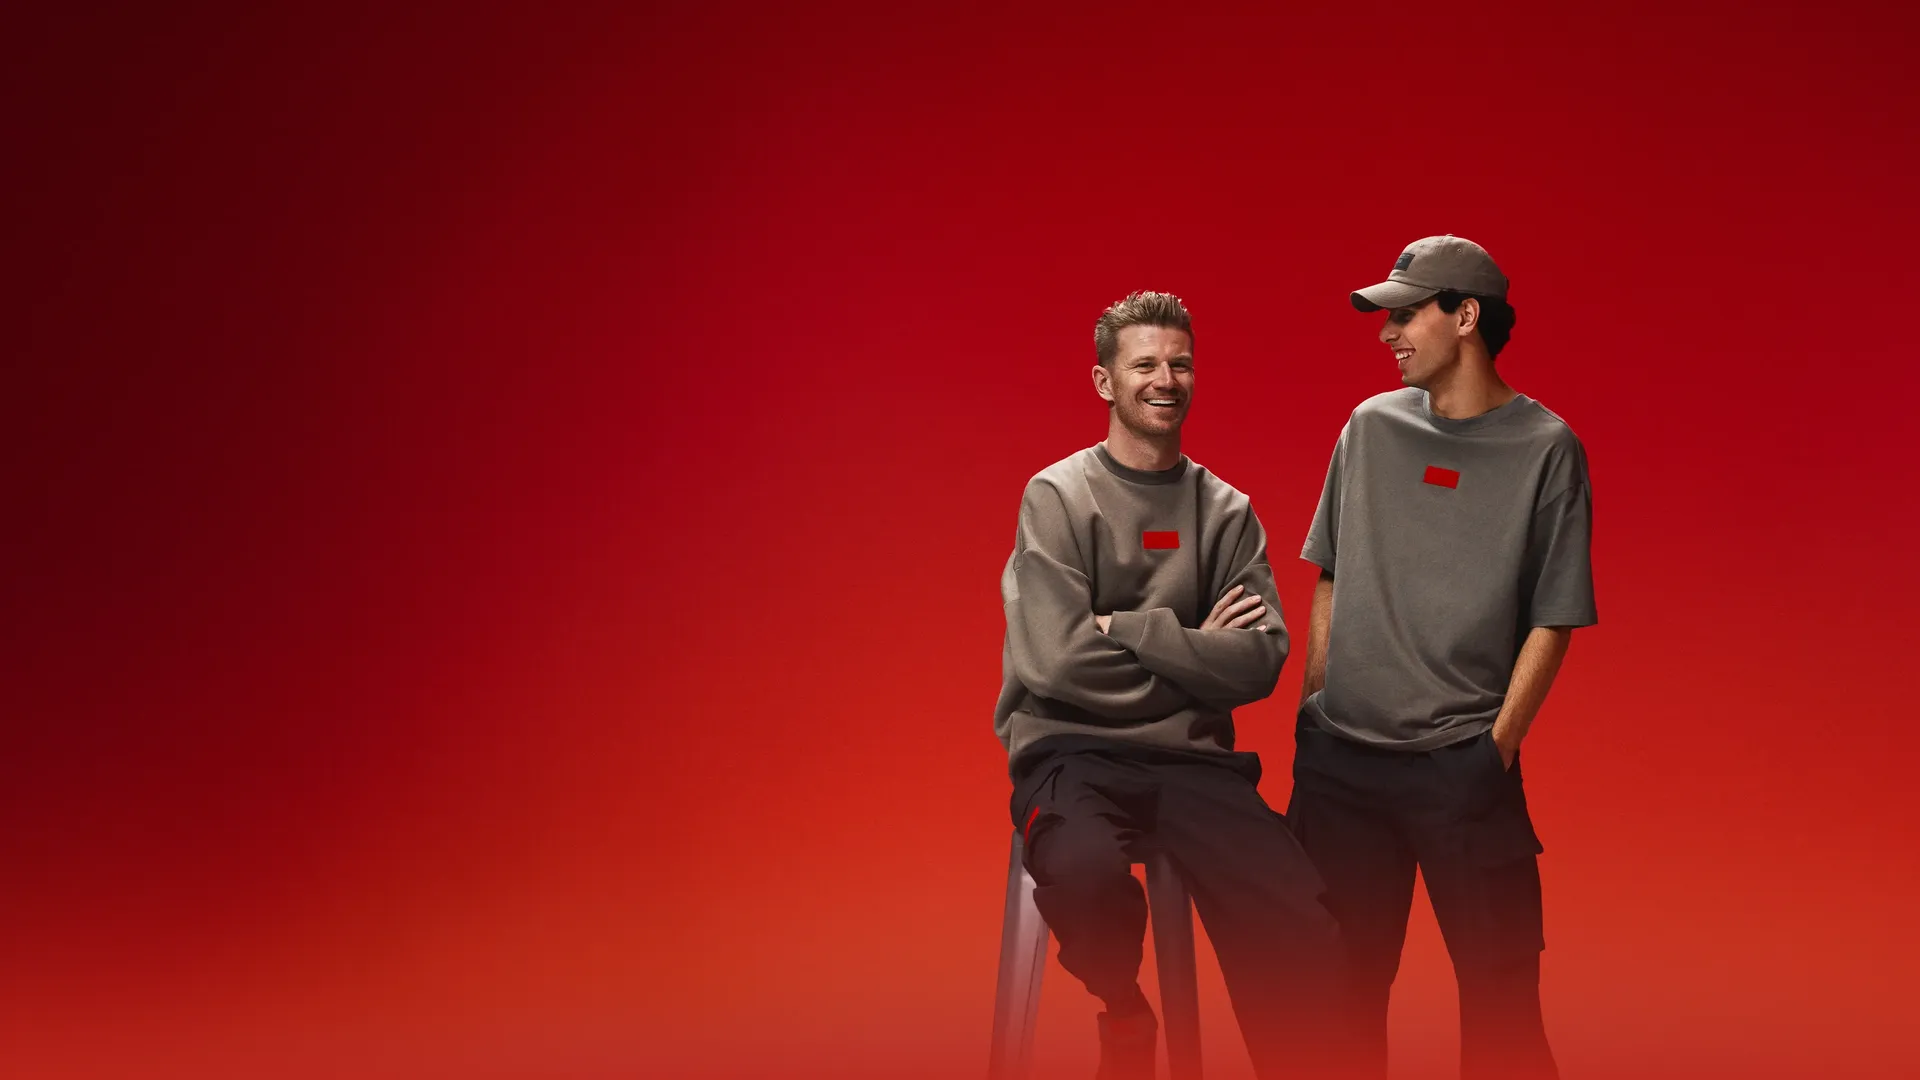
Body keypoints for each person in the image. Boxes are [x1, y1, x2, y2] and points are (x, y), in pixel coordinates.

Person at [994, 290, 1348, 1080]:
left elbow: (1260, 660)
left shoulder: (1225, 513)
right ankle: (1125, 1009)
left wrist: (1126, 628)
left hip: (1195, 765)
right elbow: (1054, 664)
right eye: (1145, 364)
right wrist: (1194, 661)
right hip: (1070, 754)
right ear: (1104, 381)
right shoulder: (1057, 497)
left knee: (1303, 919)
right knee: (1084, 873)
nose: (1166, 380)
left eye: (1180, 364)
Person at [1286, 235, 1597, 1080]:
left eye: (1405, 314)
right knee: (1335, 1013)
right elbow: (1330, 573)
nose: (1387, 333)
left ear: (1465, 317)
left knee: (1503, 1017)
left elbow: (1554, 617)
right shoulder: (1369, 428)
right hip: (1341, 768)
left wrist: (1495, 748)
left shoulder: (1547, 449)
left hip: (1462, 770)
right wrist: (1315, 706)